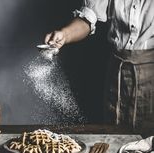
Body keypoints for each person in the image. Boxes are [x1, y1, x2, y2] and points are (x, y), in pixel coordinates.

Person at [45, 0, 154, 129]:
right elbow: (88, 17)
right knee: (114, 132)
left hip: (151, 74)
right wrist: (65, 34)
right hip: (118, 73)